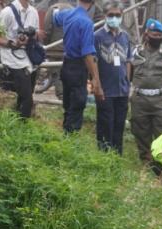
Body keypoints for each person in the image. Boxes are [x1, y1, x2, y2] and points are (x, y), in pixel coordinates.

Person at [129, 18, 162, 163]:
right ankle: (147, 164)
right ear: (146, 34)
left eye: (160, 35)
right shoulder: (135, 53)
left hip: (160, 101)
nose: (157, 38)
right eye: (154, 35)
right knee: (140, 133)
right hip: (139, 100)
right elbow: (128, 74)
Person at [54, 0, 105, 133]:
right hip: (77, 67)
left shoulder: (67, 14)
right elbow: (87, 53)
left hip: (66, 64)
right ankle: (71, 137)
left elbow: (55, 18)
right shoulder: (86, 23)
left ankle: (65, 133)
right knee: (77, 105)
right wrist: (95, 78)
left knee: (68, 105)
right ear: (93, 3)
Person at [93, 3, 133, 154]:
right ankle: (103, 156)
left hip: (122, 90)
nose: (114, 18)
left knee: (119, 125)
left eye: (117, 15)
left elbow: (128, 61)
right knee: (105, 124)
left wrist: (127, 83)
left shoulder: (125, 36)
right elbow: (93, 61)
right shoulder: (97, 36)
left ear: (121, 16)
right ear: (105, 16)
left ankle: (117, 156)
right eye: (111, 15)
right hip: (105, 90)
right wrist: (97, 84)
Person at [0, 0, 42, 118]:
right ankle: (24, 125)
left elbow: (37, 33)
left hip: (29, 58)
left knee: (25, 95)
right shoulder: (7, 12)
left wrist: (33, 35)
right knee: (27, 98)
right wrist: (11, 43)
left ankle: (18, 123)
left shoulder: (33, 12)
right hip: (12, 58)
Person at [43, 2, 74, 99]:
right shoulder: (74, 9)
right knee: (68, 73)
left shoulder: (53, 9)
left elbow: (47, 29)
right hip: (69, 49)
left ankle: (61, 95)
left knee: (56, 74)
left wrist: (46, 44)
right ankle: (68, 95)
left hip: (54, 49)